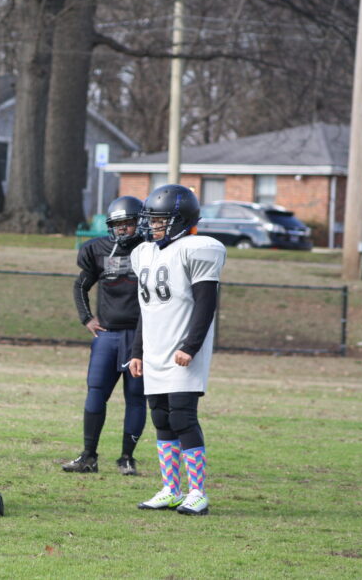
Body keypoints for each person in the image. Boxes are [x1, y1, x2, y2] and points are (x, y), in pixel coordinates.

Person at [128, 184, 226, 516]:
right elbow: (146, 309)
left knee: (183, 417)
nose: (153, 226)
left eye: (160, 220)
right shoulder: (144, 253)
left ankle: (198, 492)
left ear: (181, 221)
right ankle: (171, 489)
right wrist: (137, 351)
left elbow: (206, 305)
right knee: (161, 418)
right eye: (151, 219)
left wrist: (191, 345)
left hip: (183, 351)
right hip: (155, 349)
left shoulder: (198, 249)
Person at [64, 196, 147, 476]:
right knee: (95, 395)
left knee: (136, 398)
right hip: (107, 336)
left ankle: (127, 458)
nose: (122, 228)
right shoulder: (98, 249)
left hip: (140, 337)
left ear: (140, 223)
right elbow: (80, 285)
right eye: (118, 223)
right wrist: (86, 317)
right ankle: (89, 456)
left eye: (128, 223)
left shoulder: (150, 250)